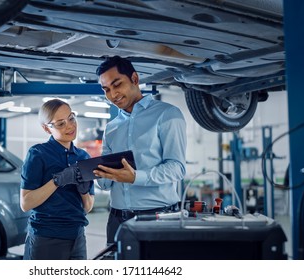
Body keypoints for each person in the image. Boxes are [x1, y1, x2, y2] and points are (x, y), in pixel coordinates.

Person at [94, 56, 187, 245]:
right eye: (106, 90)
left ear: (134, 79)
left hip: (157, 218)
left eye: (117, 84)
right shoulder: (111, 127)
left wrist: (136, 177)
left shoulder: (167, 114)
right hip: (117, 220)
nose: (113, 94)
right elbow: (106, 183)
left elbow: (177, 167)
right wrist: (93, 176)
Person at [19, 99, 94, 260]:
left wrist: (83, 191)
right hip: (46, 238)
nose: (70, 126)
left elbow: (87, 207)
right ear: (47, 128)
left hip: (78, 237)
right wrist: (57, 181)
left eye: (71, 118)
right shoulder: (38, 154)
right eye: (60, 123)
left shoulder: (84, 157)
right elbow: (26, 203)